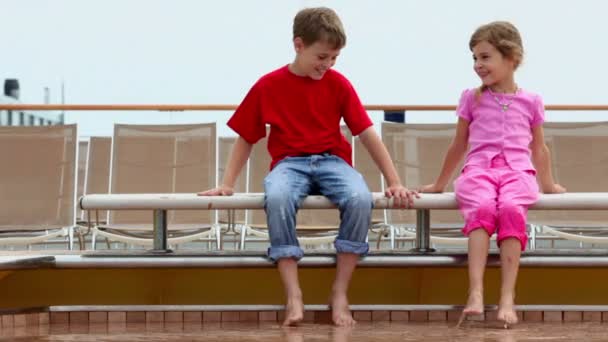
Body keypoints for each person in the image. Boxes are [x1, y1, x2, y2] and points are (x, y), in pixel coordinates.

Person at [198, 7, 417, 327]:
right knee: (277, 198)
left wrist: (395, 180)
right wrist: (227, 183)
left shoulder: (338, 84)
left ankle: (340, 293)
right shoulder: (268, 85)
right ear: (299, 45)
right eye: (322, 56)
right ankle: (293, 295)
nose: (327, 65)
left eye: (334, 59)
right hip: (289, 163)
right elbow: (246, 137)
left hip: (332, 161)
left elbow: (368, 134)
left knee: (359, 198)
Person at [419, 21, 565, 328]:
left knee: (511, 210)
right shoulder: (471, 98)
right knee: (483, 210)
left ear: (510, 58)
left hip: (517, 172)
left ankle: (507, 298)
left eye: (485, 57)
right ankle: (475, 291)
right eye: (474, 58)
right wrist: (439, 184)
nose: (477, 65)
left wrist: (548, 184)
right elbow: (458, 144)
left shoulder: (531, 101)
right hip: (479, 171)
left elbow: (539, 148)